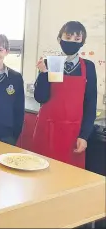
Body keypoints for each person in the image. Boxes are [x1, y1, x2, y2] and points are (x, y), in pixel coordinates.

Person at [32, 21, 97, 169]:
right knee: (43, 174)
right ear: (59, 39)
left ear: (82, 42)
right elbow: (41, 97)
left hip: (73, 134)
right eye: (68, 37)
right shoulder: (51, 62)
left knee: (70, 176)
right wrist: (43, 74)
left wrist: (84, 136)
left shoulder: (88, 67)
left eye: (76, 39)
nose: (72, 42)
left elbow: (90, 103)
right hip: (47, 130)